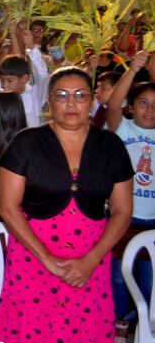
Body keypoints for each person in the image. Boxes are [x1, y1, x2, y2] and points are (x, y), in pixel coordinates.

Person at [0, 66, 134, 343]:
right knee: (31, 331)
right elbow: (7, 207)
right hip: (33, 257)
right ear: (49, 101)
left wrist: (91, 260)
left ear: (92, 101)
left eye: (80, 95)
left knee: (84, 331)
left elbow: (122, 211)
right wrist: (46, 258)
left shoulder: (111, 146)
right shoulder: (26, 143)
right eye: (62, 95)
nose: (71, 103)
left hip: (90, 259)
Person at [105, 50, 155, 332]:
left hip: (153, 221)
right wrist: (133, 70)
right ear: (132, 108)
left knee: (149, 280)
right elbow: (112, 106)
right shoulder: (122, 129)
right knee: (119, 275)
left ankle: (145, 326)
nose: (149, 110)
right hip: (124, 217)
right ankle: (121, 321)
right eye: (143, 103)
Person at [0, 31, 49, 128]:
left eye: (9, 80)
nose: (4, 85)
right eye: (2, 80)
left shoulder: (35, 94)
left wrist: (31, 46)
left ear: (24, 78)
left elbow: (42, 74)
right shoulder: (0, 97)